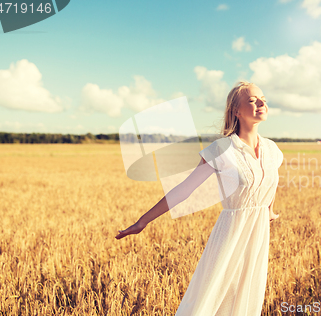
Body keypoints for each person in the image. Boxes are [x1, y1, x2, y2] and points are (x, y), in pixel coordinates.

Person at [115, 81, 284, 315]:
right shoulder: (221, 150)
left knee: (245, 302)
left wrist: (269, 210)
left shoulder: (273, 151)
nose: (261, 103)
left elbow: (268, 184)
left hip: (257, 236)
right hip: (231, 233)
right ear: (236, 110)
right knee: (209, 300)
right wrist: (143, 221)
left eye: (263, 98)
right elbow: (184, 190)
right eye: (253, 100)